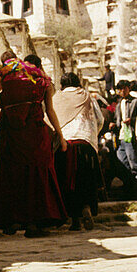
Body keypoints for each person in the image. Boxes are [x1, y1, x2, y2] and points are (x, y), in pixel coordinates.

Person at [0, 50, 68, 237]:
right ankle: (35, 223)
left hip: (11, 133)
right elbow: (49, 110)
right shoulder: (43, 80)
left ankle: (12, 221)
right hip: (35, 133)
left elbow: (2, 101)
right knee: (38, 174)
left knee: (11, 173)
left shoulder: (6, 77)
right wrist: (60, 135)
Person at [53, 72, 106, 230]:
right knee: (86, 180)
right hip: (85, 144)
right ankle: (86, 208)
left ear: (62, 85)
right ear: (78, 83)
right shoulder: (87, 96)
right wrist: (91, 136)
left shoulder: (57, 98)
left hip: (65, 144)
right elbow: (100, 119)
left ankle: (75, 221)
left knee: (68, 182)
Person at [114, 80, 137, 195]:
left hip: (131, 136)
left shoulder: (136, 102)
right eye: (120, 89)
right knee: (122, 163)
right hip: (121, 137)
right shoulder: (119, 104)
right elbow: (117, 119)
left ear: (128, 89)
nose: (122, 91)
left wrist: (132, 121)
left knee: (134, 164)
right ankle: (129, 187)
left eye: (124, 88)